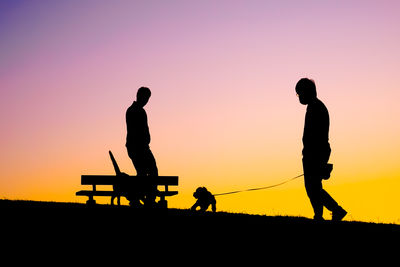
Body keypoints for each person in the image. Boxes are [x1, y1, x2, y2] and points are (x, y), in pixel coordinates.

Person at [295, 78, 347, 221]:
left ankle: (333, 211)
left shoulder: (316, 108)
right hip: (317, 151)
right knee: (313, 187)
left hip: (315, 152)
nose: (298, 97)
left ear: (306, 92)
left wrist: (312, 155)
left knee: (312, 188)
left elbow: (315, 135)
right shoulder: (316, 106)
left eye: (299, 93)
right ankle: (323, 214)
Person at [126, 87, 158, 207]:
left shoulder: (134, 110)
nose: (146, 100)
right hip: (139, 147)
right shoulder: (135, 110)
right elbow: (137, 131)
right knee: (150, 171)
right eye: (145, 97)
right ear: (139, 96)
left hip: (138, 147)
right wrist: (144, 142)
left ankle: (142, 198)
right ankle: (147, 198)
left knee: (143, 173)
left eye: (148, 98)